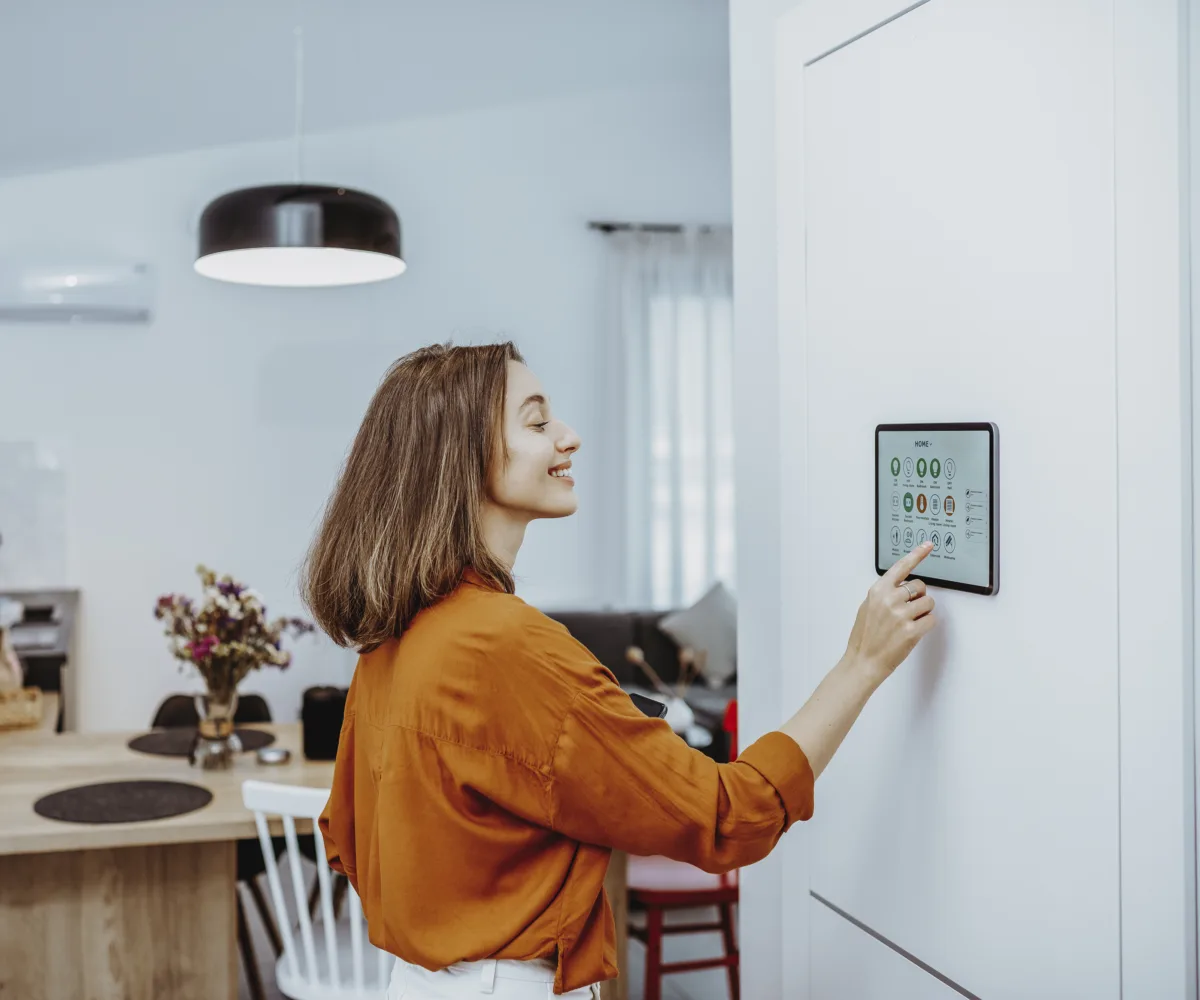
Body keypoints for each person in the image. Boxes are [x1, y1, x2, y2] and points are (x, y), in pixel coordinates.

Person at [303, 342, 938, 1000]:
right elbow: (727, 816)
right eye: (537, 422)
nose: (569, 437)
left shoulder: (391, 634)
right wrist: (862, 662)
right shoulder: (507, 645)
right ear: (461, 456)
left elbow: (345, 838)